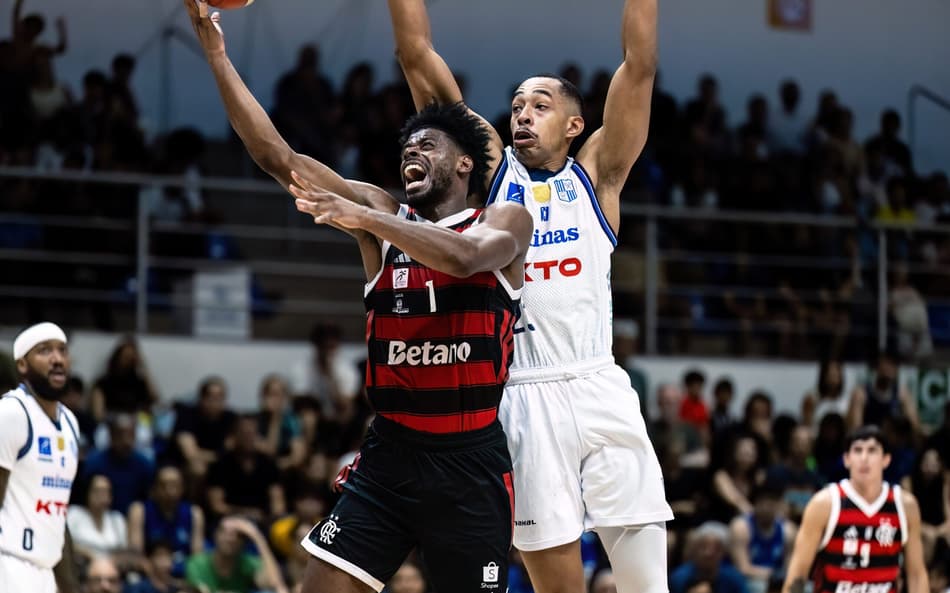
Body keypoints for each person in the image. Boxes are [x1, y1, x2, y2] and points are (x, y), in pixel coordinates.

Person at [185, 5, 532, 593]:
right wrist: (217, 54)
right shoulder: (379, 216)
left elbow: (465, 259)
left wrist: (362, 214)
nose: (411, 153)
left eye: (428, 144)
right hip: (391, 453)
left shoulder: (503, 219)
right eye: (406, 148)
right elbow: (280, 159)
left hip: (469, 461)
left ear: (465, 163)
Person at [387, 1, 672, 593]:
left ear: (574, 125)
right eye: (516, 105)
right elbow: (416, 56)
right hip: (521, 395)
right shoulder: (493, 172)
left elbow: (639, 65)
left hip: (598, 382)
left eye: (540, 106)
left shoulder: (598, 175)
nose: (522, 114)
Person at [781, 425, 929, 593]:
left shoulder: (905, 505)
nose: (864, 458)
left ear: (886, 459)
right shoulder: (824, 504)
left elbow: (916, 574)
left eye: (872, 451)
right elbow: (798, 573)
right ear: (846, 459)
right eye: (857, 450)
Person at [0, 322, 80, 593]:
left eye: (62, 350)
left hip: (45, 571)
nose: (57, 359)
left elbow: (57, 511)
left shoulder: (70, 422)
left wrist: (69, 585)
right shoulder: (11, 413)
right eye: (44, 351)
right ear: (22, 365)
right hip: (9, 565)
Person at [185, 517, 288, 593]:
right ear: (215, 535)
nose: (231, 539)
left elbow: (276, 585)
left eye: (238, 535)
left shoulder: (247, 562)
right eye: (225, 532)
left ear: (244, 542)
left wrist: (256, 536)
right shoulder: (197, 563)